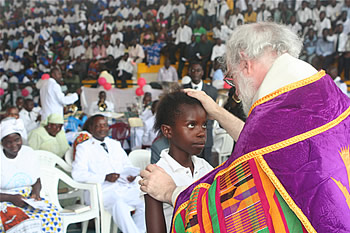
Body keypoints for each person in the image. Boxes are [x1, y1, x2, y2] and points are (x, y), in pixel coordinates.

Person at [140, 22, 350, 233]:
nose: (237, 94)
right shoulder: (327, 94)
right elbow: (270, 149)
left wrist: (171, 192)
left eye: (232, 79)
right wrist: (218, 112)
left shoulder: (278, 108)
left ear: (246, 64)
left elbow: (226, 212)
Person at [145, 91, 213, 233]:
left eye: (204, 125)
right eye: (191, 125)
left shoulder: (205, 167)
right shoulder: (156, 175)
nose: (201, 133)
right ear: (168, 131)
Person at [71, 115, 146, 233]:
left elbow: (127, 165)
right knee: (119, 204)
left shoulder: (114, 144)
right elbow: (77, 174)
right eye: (98, 126)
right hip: (102, 191)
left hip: (123, 186)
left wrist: (131, 175)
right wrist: (104, 177)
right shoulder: (84, 148)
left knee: (145, 199)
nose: (102, 128)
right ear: (91, 129)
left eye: (104, 125)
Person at [0, 118, 62, 232]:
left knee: (52, 215)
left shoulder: (28, 153)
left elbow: (37, 180)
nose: (14, 145)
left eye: (17, 140)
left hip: (28, 199)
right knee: (20, 222)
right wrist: (11, 198)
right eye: (8, 142)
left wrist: (35, 193)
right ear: (1, 142)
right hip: (4, 201)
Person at [183, 62, 217, 166]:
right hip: (189, 133)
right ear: (189, 72)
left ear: (202, 73)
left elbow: (212, 111)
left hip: (206, 132)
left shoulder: (212, 91)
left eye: (198, 71)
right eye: (193, 70)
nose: (195, 73)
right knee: (190, 164)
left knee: (207, 164)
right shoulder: (183, 90)